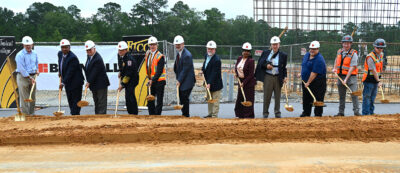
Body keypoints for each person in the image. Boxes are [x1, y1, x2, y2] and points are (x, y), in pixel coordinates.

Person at [255, 36, 288, 118]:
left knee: (277, 96)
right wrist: (267, 66)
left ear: (279, 45)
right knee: (267, 96)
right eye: (273, 44)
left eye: (276, 44)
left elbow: (284, 67)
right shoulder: (266, 53)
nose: (275, 46)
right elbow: (260, 63)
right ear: (271, 45)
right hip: (268, 76)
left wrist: (285, 76)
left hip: (278, 77)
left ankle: (277, 112)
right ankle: (265, 113)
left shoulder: (283, 55)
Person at [332, 35, 360, 116]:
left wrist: (346, 79)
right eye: (344, 43)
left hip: (351, 77)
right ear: (342, 43)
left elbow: (352, 67)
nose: (346, 45)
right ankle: (341, 112)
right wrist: (334, 68)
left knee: (354, 94)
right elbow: (336, 60)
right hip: (340, 76)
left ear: (351, 44)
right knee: (341, 96)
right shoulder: (339, 51)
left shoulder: (353, 54)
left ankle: (356, 111)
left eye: (348, 43)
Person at [58, 39, 84, 115]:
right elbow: (60, 64)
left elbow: (70, 72)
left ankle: (75, 116)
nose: (64, 49)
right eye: (62, 47)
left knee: (75, 101)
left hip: (76, 82)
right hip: (68, 82)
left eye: (66, 47)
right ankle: (73, 114)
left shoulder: (73, 58)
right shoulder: (60, 54)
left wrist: (63, 83)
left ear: (69, 47)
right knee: (70, 100)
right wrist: (60, 72)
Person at [300, 41, 327, 117]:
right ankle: (306, 113)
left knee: (318, 99)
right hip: (306, 81)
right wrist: (301, 73)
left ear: (318, 49)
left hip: (317, 82)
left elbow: (314, 73)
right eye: (311, 48)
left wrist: (308, 82)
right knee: (306, 98)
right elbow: (304, 65)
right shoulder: (307, 55)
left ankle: (318, 115)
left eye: (314, 49)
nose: (312, 50)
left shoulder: (319, 59)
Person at [84, 40, 110, 114]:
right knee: (96, 102)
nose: (88, 51)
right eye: (87, 50)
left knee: (101, 103)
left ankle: (102, 119)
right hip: (94, 84)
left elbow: (94, 72)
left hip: (101, 84)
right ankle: (97, 118)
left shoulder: (97, 59)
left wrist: (88, 81)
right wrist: (89, 81)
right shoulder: (89, 57)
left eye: (90, 49)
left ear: (94, 48)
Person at [362, 38, 386, 115]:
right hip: (369, 80)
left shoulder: (380, 55)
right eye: (377, 47)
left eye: (381, 48)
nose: (379, 49)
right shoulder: (370, 57)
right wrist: (378, 81)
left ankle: (371, 113)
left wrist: (378, 80)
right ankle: (366, 114)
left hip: (375, 80)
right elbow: (373, 70)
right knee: (367, 98)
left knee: (372, 98)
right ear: (374, 47)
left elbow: (379, 68)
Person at [15, 36, 39, 115]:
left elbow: (36, 63)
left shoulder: (34, 53)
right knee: (24, 97)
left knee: (32, 97)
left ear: (32, 44)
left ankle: (32, 114)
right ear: (23, 45)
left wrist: (37, 70)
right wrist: (29, 77)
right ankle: (26, 114)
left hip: (33, 76)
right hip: (23, 77)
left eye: (29, 45)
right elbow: (21, 69)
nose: (28, 46)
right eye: (26, 45)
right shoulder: (20, 55)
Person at [173, 35, 195, 117]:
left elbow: (185, 70)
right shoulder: (179, 53)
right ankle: (184, 114)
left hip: (188, 81)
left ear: (183, 44)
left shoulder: (187, 55)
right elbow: (177, 67)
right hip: (183, 80)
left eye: (179, 44)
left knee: (184, 97)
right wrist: (178, 78)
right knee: (182, 97)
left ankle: (186, 115)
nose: (177, 46)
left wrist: (179, 80)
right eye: (176, 44)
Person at [234, 42, 256, 118]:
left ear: (250, 52)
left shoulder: (251, 61)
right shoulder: (239, 58)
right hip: (241, 81)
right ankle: (239, 114)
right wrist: (236, 74)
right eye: (244, 50)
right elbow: (236, 67)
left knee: (248, 99)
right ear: (242, 51)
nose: (246, 52)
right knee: (240, 98)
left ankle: (248, 115)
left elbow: (251, 75)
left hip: (249, 83)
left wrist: (244, 83)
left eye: (247, 51)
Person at [145, 36, 166, 115]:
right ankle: (151, 115)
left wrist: (152, 80)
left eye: (154, 44)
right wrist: (150, 79)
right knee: (150, 99)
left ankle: (157, 116)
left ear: (157, 45)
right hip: (151, 81)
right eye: (151, 45)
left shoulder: (160, 56)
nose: (152, 46)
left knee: (159, 100)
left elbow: (159, 71)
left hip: (159, 81)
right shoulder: (148, 55)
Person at [202, 40, 223, 118]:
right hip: (208, 82)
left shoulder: (217, 60)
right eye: (208, 49)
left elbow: (214, 73)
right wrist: (203, 70)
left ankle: (214, 116)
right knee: (209, 100)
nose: (209, 50)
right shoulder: (206, 56)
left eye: (211, 49)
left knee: (215, 101)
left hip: (215, 83)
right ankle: (210, 114)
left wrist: (209, 83)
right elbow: (205, 66)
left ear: (215, 49)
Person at [117, 41, 139, 115]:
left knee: (130, 96)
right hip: (127, 80)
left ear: (126, 50)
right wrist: (121, 72)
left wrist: (122, 84)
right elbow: (123, 68)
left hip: (132, 80)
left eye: (121, 50)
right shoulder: (121, 57)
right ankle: (130, 112)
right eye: (119, 50)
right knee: (127, 97)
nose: (119, 51)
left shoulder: (129, 59)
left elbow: (129, 73)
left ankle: (134, 113)